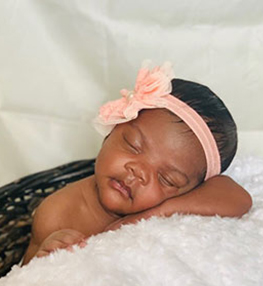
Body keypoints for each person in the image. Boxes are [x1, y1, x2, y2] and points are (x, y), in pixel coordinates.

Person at [22, 61, 252, 265]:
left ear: (193, 188)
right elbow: (19, 285)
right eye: (133, 145)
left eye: (166, 179)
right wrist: (46, 254)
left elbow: (239, 198)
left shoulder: (168, 203)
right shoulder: (58, 213)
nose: (138, 172)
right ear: (111, 130)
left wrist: (157, 213)